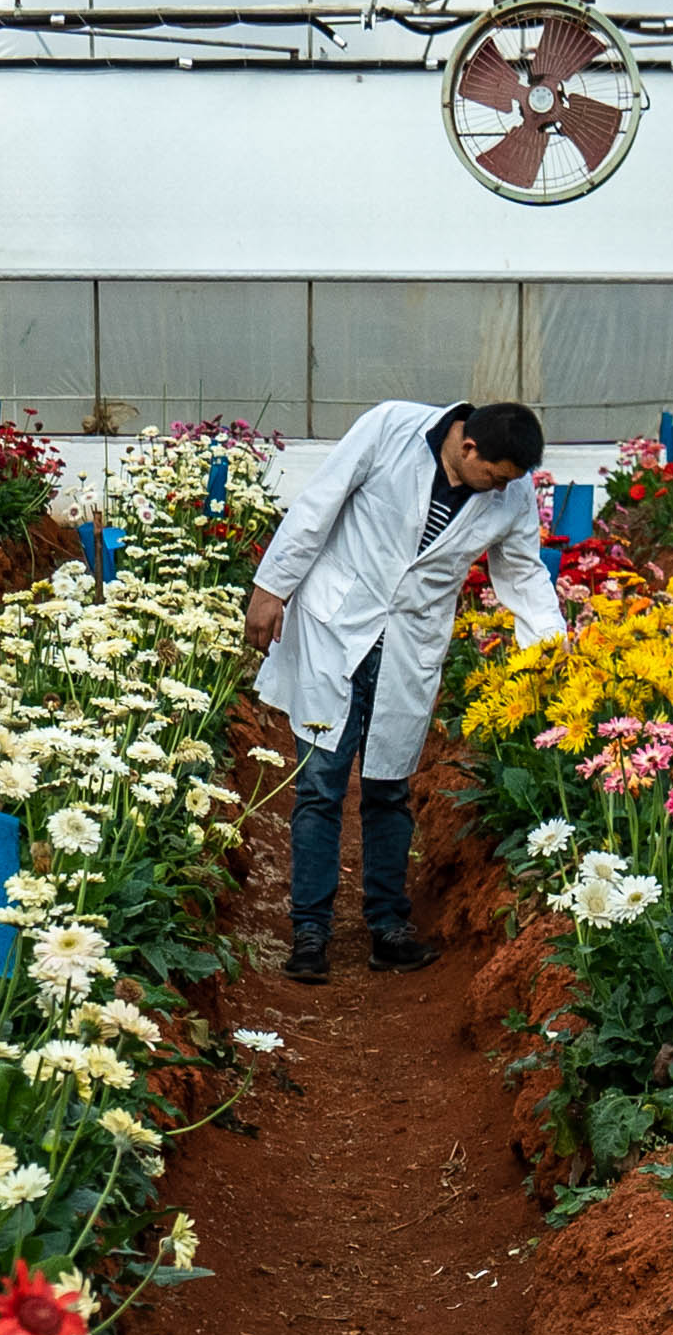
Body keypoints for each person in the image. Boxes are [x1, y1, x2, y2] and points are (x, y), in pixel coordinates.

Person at [242, 396, 565, 981]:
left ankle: (388, 926)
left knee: (389, 788)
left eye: (509, 483)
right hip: (337, 623)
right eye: (493, 477)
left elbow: (520, 570)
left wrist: (551, 650)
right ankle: (309, 932)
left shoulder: (511, 492)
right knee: (319, 786)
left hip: (410, 640)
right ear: (468, 447)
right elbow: (321, 503)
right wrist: (272, 588)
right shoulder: (391, 427)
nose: (500, 491)